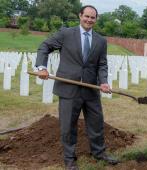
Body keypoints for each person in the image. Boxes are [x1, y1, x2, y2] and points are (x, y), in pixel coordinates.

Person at [35, 5, 119, 170]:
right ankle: (69, 160)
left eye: (92, 17)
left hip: (91, 88)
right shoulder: (66, 34)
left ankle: (99, 153)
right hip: (68, 88)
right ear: (80, 16)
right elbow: (45, 46)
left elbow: (102, 64)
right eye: (86, 16)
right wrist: (41, 67)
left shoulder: (101, 41)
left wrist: (103, 81)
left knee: (96, 123)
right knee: (68, 126)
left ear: (96, 19)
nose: (89, 20)